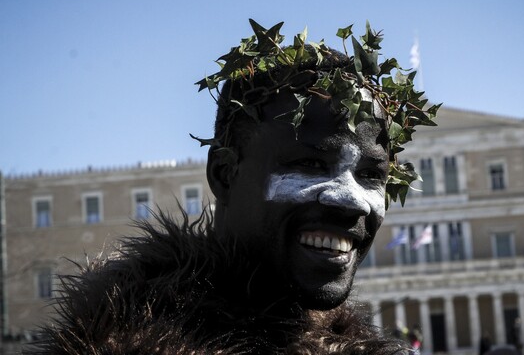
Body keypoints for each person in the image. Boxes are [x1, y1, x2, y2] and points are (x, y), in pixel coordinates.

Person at [27, 20, 437, 354]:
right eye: (310, 164)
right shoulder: (120, 345)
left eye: (370, 175)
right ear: (224, 174)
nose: (353, 203)